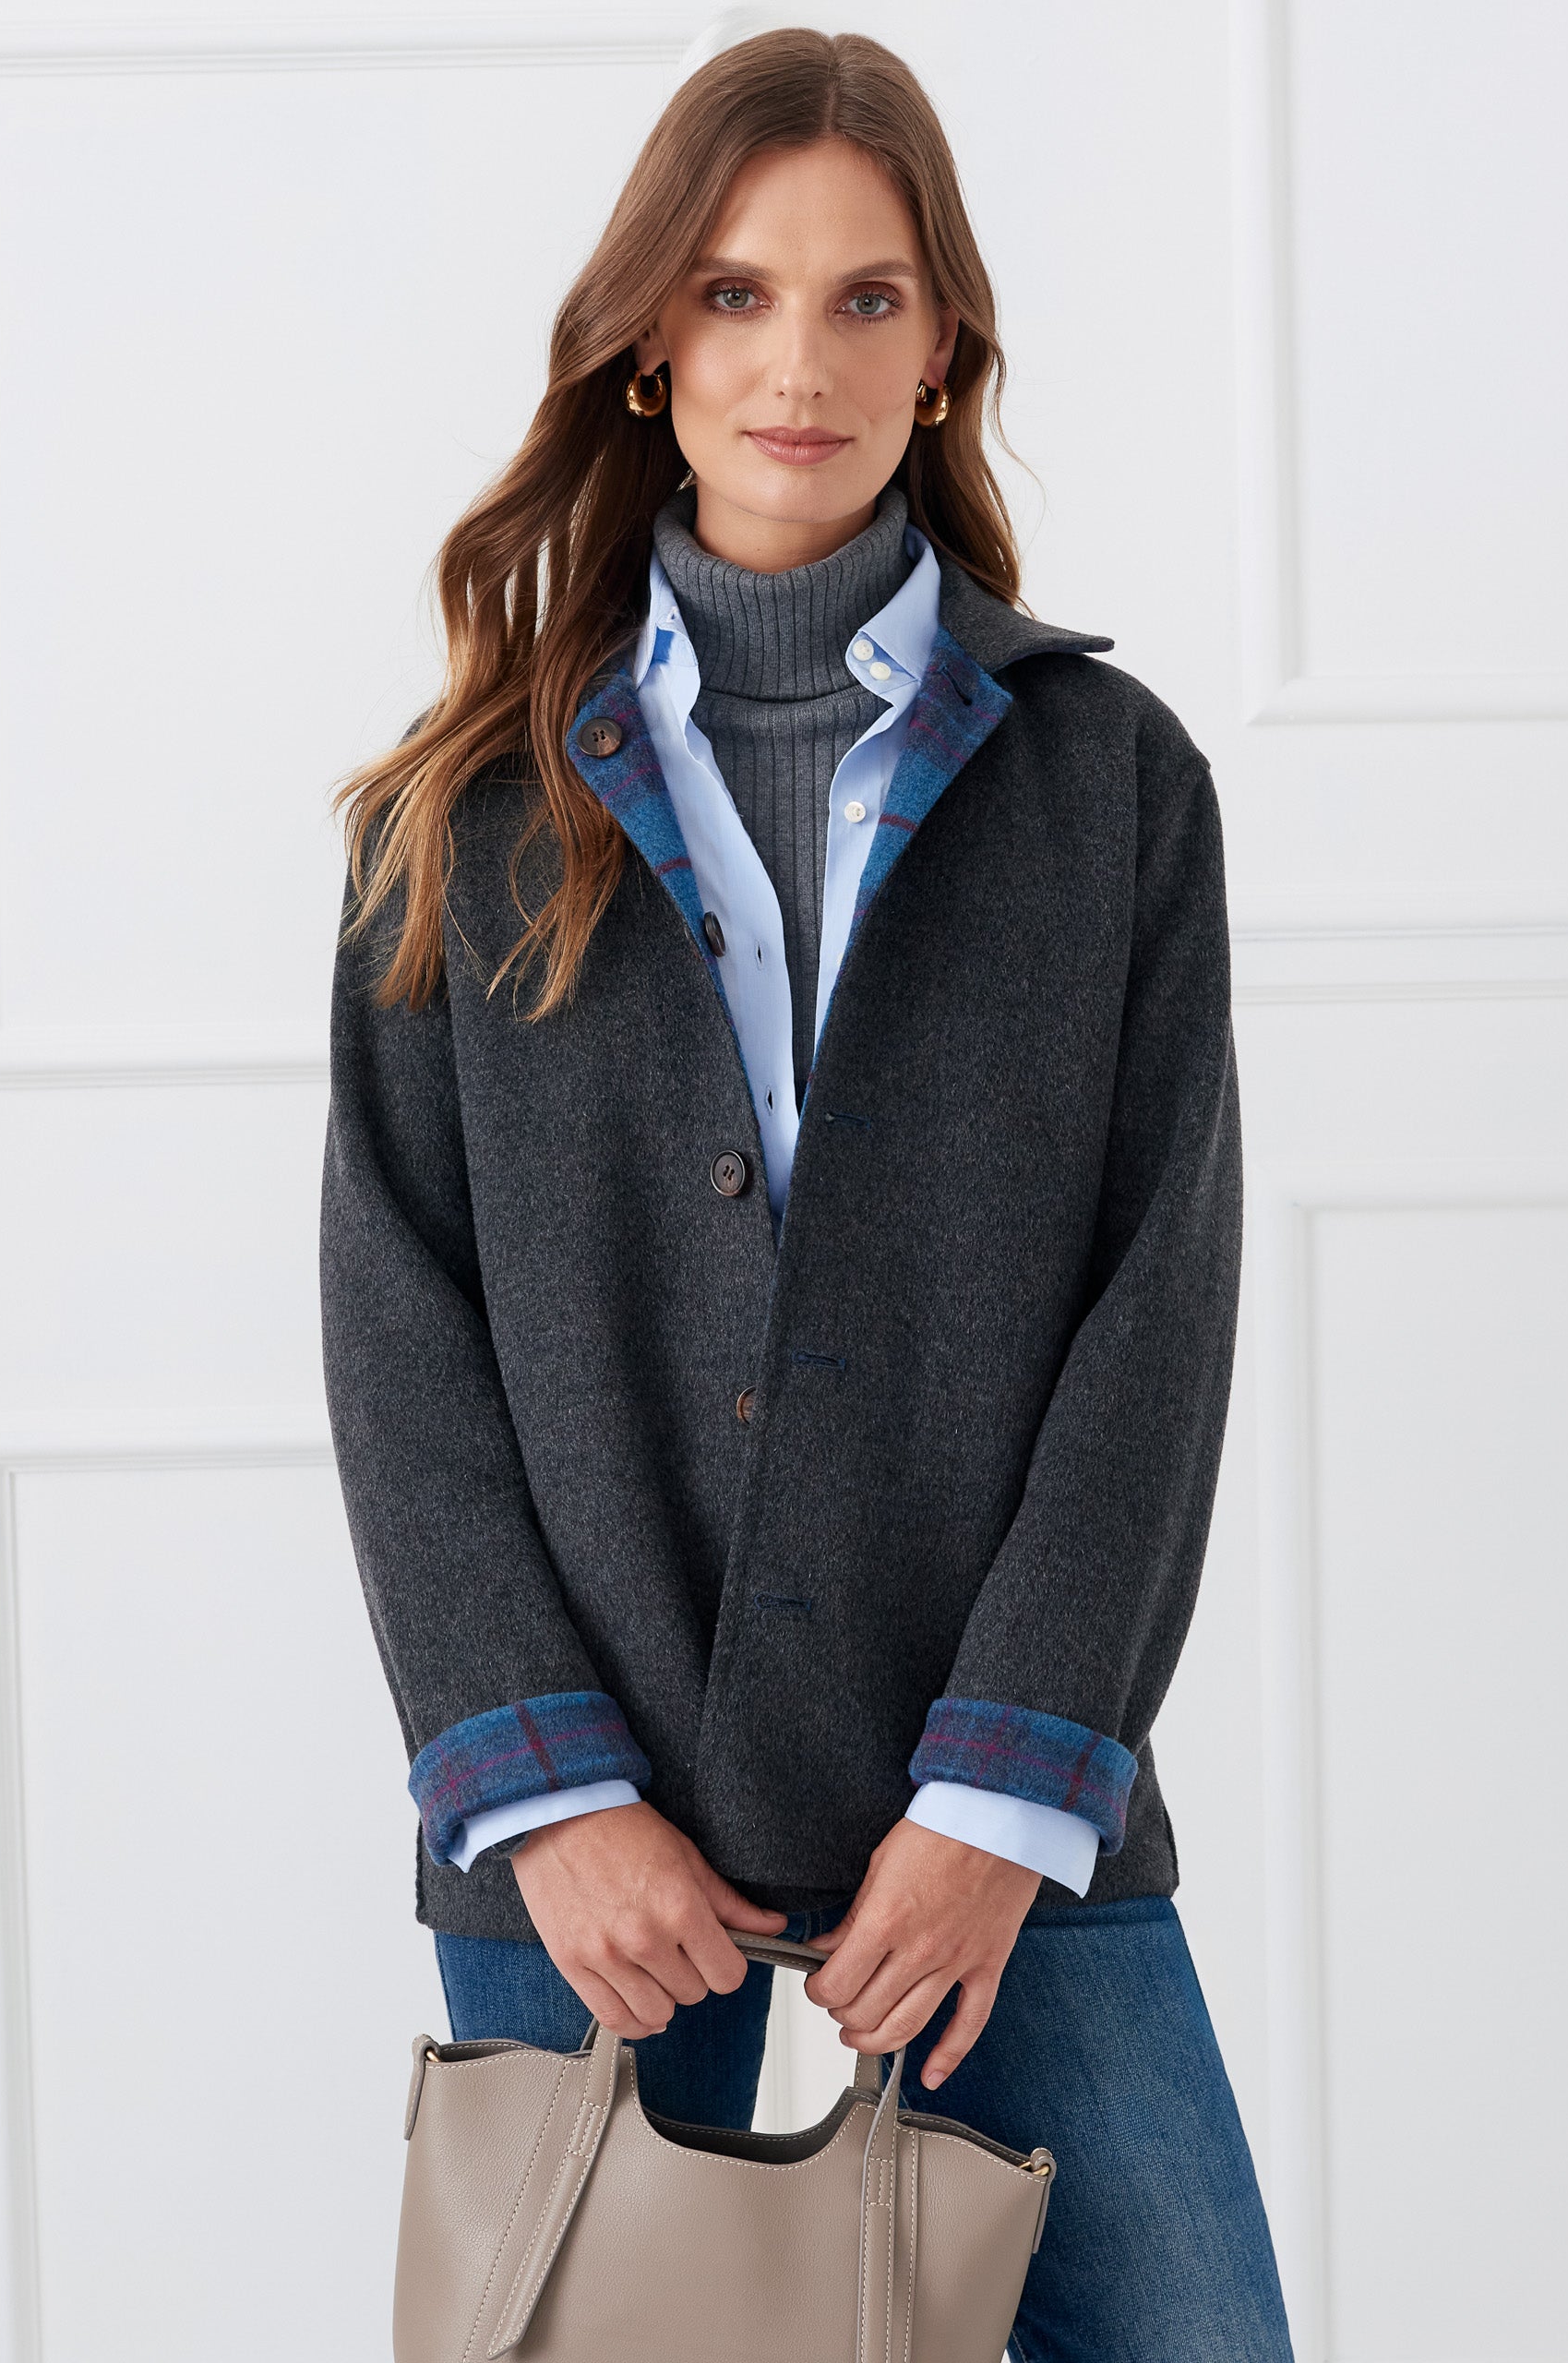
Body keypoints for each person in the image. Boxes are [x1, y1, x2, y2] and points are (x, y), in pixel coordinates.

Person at [321, 29, 1291, 2360]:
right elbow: (400, 1320)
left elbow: (1156, 1313)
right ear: (650, 339)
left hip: (993, 1787)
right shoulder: (461, 811)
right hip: (586, 1822)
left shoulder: (1108, 786)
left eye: (871, 299)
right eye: (739, 294)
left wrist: (998, 1802)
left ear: (945, 349)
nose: (801, 364)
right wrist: (545, 1791)